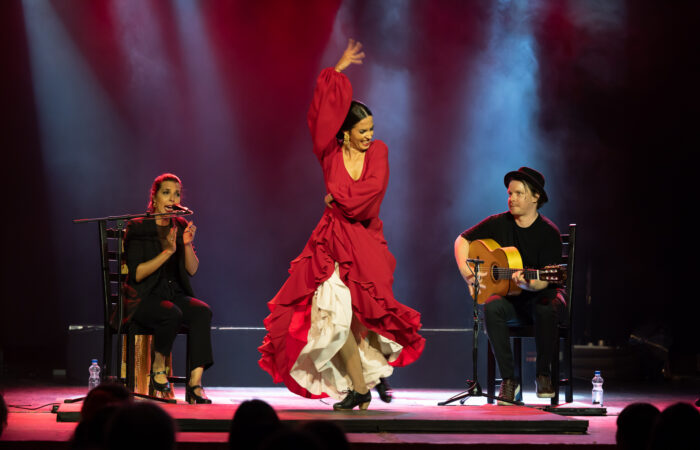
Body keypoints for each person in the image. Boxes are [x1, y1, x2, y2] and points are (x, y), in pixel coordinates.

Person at [259, 39, 425, 410]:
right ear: (346, 131)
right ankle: (360, 387)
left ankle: (366, 380)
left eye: (371, 129)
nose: (369, 135)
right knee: (333, 317)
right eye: (362, 130)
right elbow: (320, 114)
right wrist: (337, 71)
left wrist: (338, 199)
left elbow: (369, 197)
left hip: (364, 244)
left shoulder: (379, 152)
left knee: (360, 319)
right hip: (330, 243)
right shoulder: (330, 154)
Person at [454, 167, 564, 404]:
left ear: (536, 196)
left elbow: (547, 280)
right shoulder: (498, 222)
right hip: (512, 301)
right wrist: (467, 273)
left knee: (546, 307)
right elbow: (462, 240)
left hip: (541, 296)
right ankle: (509, 381)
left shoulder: (548, 233)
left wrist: (528, 284)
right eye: (509, 193)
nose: (511, 199)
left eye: (518, 193)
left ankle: (543, 374)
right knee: (492, 307)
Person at [122, 173, 213, 404]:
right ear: (154, 197)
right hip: (143, 298)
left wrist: (187, 244)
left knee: (202, 312)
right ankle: (158, 366)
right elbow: (137, 273)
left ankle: (195, 384)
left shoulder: (180, 225)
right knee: (171, 313)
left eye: (176, 193)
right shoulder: (139, 227)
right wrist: (167, 253)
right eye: (166, 193)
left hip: (173, 294)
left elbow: (192, 270)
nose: (172, 198)